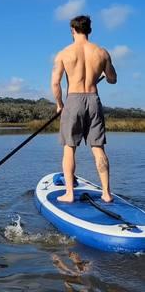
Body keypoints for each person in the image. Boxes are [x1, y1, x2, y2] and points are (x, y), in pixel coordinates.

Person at [51, 15, 117, 203]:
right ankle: (106, 193)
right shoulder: (102, 53)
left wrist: (59, 105)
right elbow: (112, 79)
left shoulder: (64, 53)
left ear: (73, 30)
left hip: (73, 100)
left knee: (69, 148)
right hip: (94, 99)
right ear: (89, 30)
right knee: (98, 148)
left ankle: (69, 193)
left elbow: (56, 83)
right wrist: (103, 72)